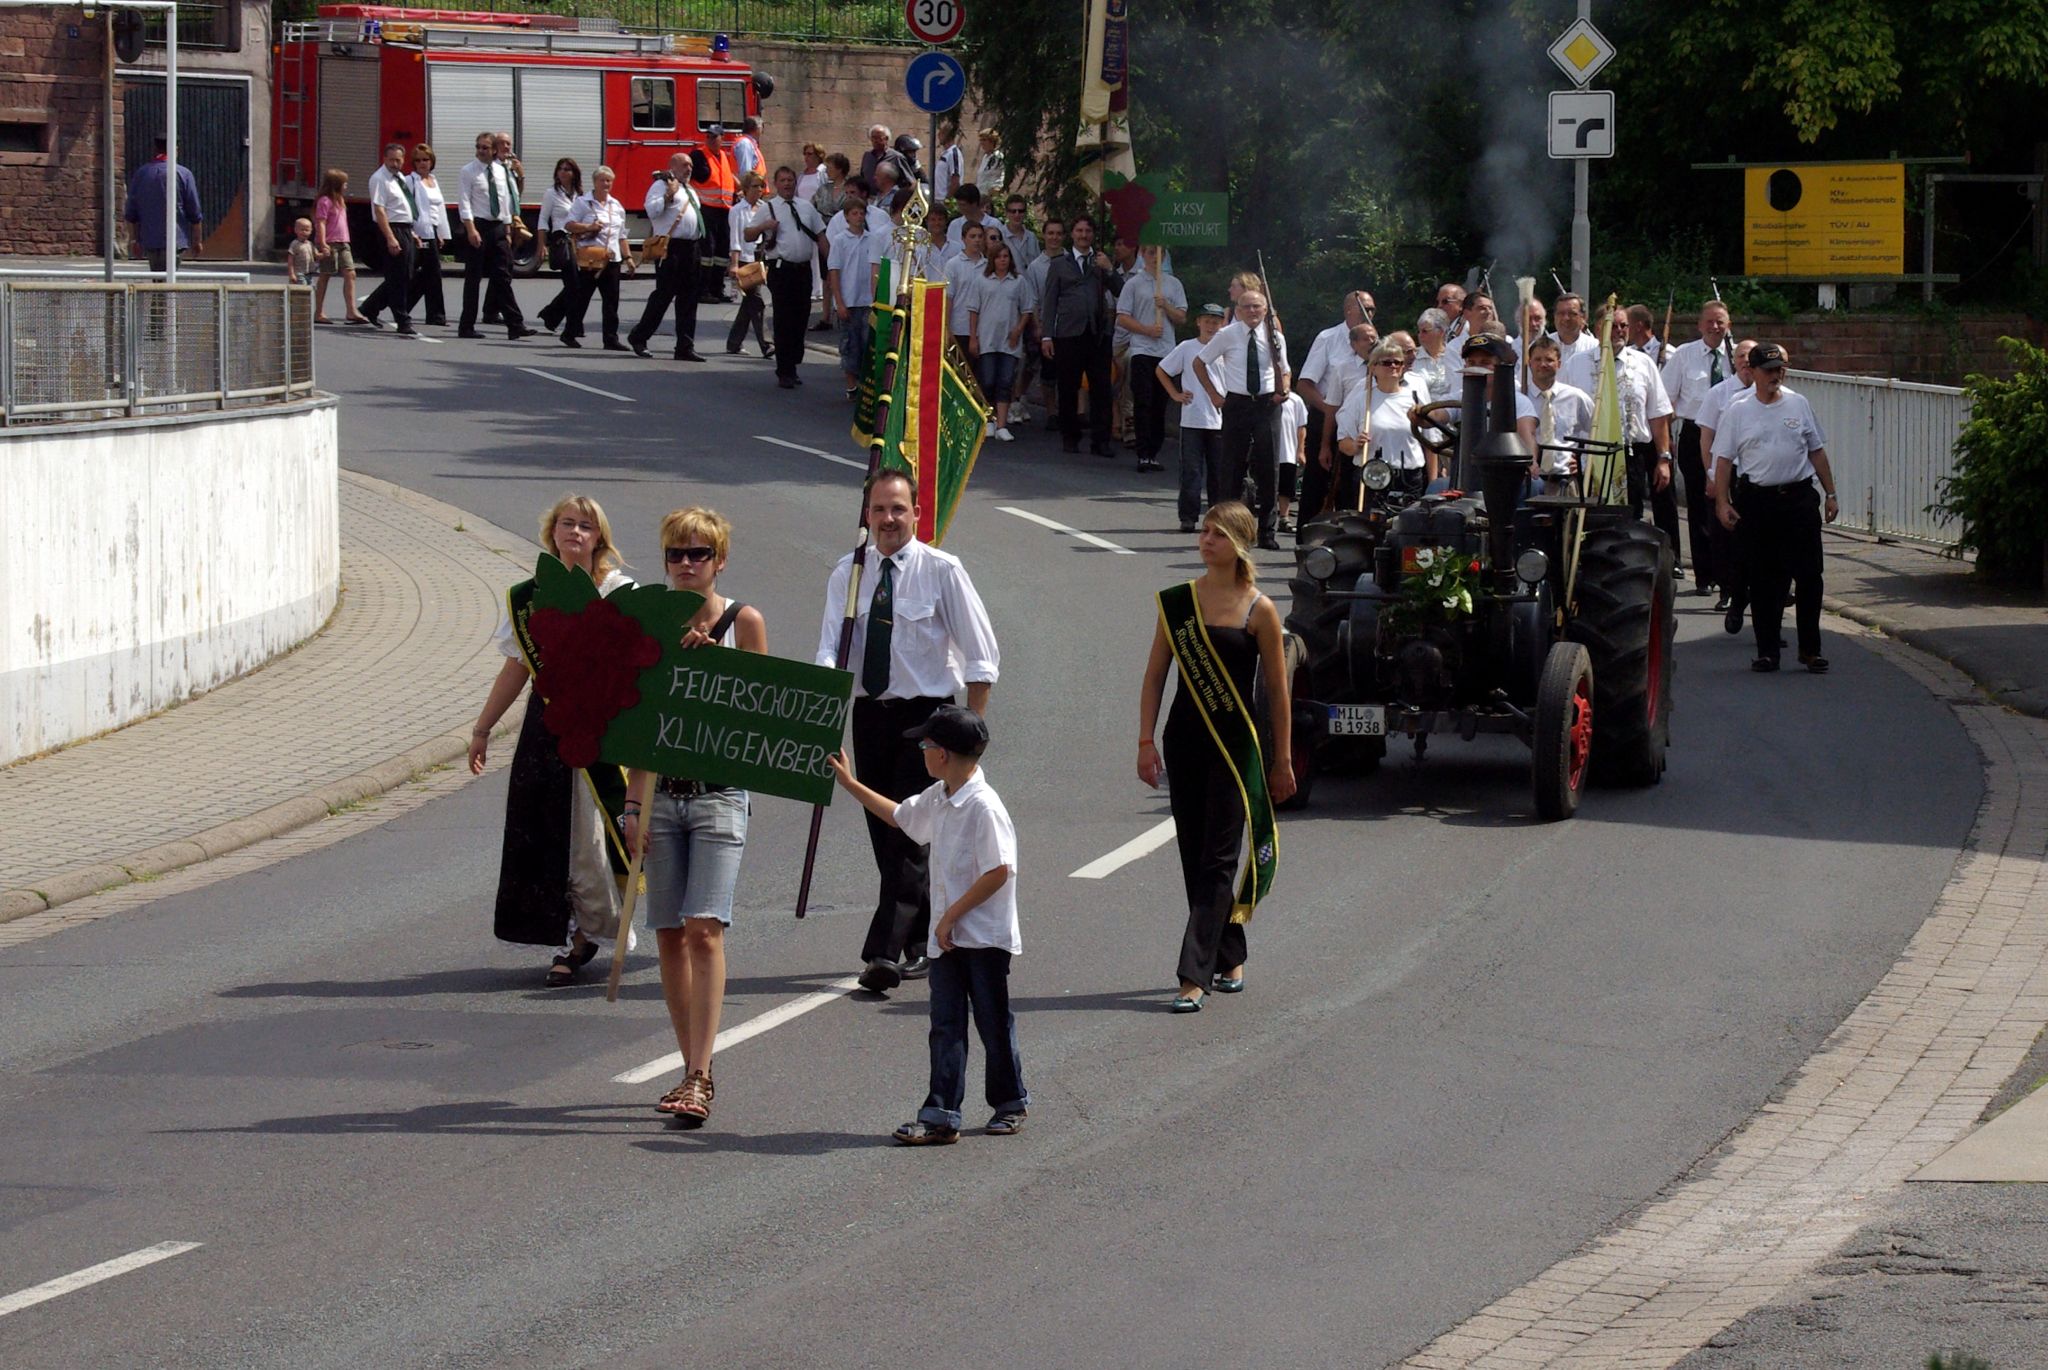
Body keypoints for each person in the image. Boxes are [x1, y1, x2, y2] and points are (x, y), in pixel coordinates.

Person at [815, 470, 1001, 994]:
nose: (888, 519)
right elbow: (831, 647)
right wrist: (824, 702)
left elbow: (981, 657)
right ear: (867, 516)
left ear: (916, 513)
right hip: (871, 713)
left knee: (906, 834)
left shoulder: (942, 570)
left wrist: (970, 739)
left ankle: (884, 952)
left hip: (928, 717)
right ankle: (920, 941)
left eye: (898, 509)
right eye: (879, 510)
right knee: (886, 830)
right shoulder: (848, 573)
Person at [619, 507, 765, 1127]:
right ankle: (688, 1068)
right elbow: (642, 723)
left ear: (720, 561)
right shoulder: (648, 627)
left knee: (705, 927)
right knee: (670, 936)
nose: (686, 564)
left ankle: (702, 1073)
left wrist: (714, 668)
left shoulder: (743, 621)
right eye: (676, 554)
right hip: (662, 796)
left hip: (718, 796)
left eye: (698, 554)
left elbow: (762, 719)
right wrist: (632, 802)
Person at [829, 705, 1026, 1145]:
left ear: (944, 754)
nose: (921, 750)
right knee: (945, 1024)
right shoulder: (939, 796)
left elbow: (999, 870)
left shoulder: (983, 806)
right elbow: (900, 817)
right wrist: (849, 784)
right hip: (948, 939)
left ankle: (1010, 1102)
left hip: (982, 938)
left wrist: (952, 916)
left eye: (926, 744)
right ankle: (940, 1114)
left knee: (993, 1021)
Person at [469, 495, 632, 986]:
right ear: (552, 532)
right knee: (546, 826)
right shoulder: (530, 596)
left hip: (604, 725)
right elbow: (517, 666)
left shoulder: (619, 590)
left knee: (591, 831)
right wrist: (482, 729)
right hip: (547, 723)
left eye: (585, 526)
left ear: (598, 536)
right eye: (567, 524)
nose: (575, 533)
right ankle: (568, 932)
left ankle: (589, 931)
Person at [1136, 501, 1293, 1012]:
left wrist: (1282, 760)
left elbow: (1277, 690)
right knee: (1194, 852)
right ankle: (1229, 954)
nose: (1206, 541)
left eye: (1218, 534)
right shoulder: (1179, 603)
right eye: (1204, 532)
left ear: (1239, 545)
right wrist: (1145, 741)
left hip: (1233, 745)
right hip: (1184, 741)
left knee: (1220, 858)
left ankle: (1192, 975)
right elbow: (1156, 675)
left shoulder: (1259, 609)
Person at [1713, 343, 1838, 674]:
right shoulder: (1738, 411)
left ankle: (1810, 650)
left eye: (1781, 369)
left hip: (1798, 499)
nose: (1776, 375)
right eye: (1769, 370)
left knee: (1810, 576)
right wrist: (1723, 501)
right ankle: (1767, 651)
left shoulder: (1798, 404)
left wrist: (1831, 492)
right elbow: (1723, 460)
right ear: (1752, 372)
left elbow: (1817, 450)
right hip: (1758, 502)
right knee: (1765, 581)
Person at [1562, 305, 1674, 533]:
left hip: (1632, 454)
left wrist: (1663, 458)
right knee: (1594, 518)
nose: (1619, 331)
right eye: (1613, 325)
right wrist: (1567, 453)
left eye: (1624, 326)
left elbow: (1658, 413)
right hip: (1591, 456)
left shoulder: (1643, 363)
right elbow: (1565, 413)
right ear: (1598, 328)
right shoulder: (1576, 364)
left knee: (1632, 518)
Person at [1196, 291, 1291, 549]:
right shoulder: (1227, 334)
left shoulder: (1274, 337)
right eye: (1246, 307)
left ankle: (1267, 532)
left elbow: (1285, 369)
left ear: (1265, 310)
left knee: (1269, 467)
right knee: (1231, 468)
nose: (1252, 311)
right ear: (1237, 310)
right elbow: (1199, 363)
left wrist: (1285, 389)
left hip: (1267, 404)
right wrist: (1215, 395)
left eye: (1257, 307)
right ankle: (1229, 530)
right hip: (1237, 403)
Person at [1662, 301, 1739, 597]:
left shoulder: (1736, 357)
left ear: (1728, 325)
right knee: (1700, 503)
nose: (1715, 327)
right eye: (1710, 322)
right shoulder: (1684, 355)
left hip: (1732, 433)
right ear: (1699, 325)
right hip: (1696, 434)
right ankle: (1705, 575)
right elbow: (1667, 400)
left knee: (1732, 500)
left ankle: (1732, 572)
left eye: (1720, 322)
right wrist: (1665, 441)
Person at [1039, 214, 1118, 456]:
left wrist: (1110, 270)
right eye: (1079, 231)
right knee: (1068, 387)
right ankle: (1070, 436)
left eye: (1088, 231)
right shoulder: (1059, 264)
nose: (1084, 235)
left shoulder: (1100, 262)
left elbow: (1121, 291)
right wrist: (1047, 336)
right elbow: (1049, 302)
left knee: (1102, 388)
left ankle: (1100, 440)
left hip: (1097, 333)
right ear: (1072, 235)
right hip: (1068, 333)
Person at [1697, 337, 1759, 623]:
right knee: (1723, 534)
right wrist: (1711, 474)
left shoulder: (1771, 395)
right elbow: (1706, 436)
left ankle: (1758, 592)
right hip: (1726, 470)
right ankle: (1729, 591)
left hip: (1755, 472)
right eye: (1742, 356)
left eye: (1752, 356)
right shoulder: (1719, 394)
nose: (1747, 361)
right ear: (1733, 361)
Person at [1115, 243, 1188, 474]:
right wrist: (1146, 330)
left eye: (1158, 254)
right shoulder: (1133, 284)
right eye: (1149, 253)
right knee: (1143, 400)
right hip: (1142, 350)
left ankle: (1154, 451)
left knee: (1160, 403)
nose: (1154, 258)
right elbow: (1123, 317)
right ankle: (1143, 452)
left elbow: (1182, 318)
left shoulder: (1173, 284)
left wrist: (1165, 305)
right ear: (1142, 255)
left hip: (1166, 353)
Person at [628, 154, 707, 362]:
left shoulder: (689, 189)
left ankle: (685, 346)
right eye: (684, 165)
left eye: (690, 165)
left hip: (691, 248)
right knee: (663, 296)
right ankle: (639, 337)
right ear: (672, 166)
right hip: (671, 248)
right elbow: (651, 210)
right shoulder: (662, 185)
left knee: (689, 299)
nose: (689, 169)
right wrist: (668, 196)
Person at [1158, 303, 1229, 532]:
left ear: (1223, 325)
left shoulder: (1227, 349)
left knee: (1218, 472)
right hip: (1193, 419)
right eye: (1207, 321)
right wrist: (1175, 394)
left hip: (1220, 420)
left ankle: (1217, 518)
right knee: (1191, 470)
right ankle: (1188, 516)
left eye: (1216, 322)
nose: (1211, 326)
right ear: (1198, 322)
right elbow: (1162, 370)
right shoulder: (1187, 347)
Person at [1335, 339, 1432, 503]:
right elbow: (1343, 442)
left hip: (1409, 477)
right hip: (1373, 477)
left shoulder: (1415, 399)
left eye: (1398, 362)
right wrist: (1355, 445)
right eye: (1387, 362)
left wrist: (1433, 479)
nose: (1394, 366)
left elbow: (1430, 440)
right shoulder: (1361, 399)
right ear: (1373, 368)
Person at [456, 131, 531, 339]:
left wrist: (507, 229)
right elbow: (464, 203)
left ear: (494, 150)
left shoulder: (501, 171)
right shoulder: (468, 171)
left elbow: (506, 200)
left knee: (502, 277)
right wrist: (471, 229)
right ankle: (466, 326)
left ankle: (515, 324)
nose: (481, 151)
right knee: (473, 278)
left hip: (498, 227)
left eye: (485, 147)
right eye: (478, 147)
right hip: (478, 226)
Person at [760, 164, 828, 388]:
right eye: (783, 180)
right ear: (776, 184)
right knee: (783, 320)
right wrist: (765, 225)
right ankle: (785, 370)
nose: (787, 184)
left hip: (803, 271)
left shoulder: (806, 207)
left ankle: (793, 362)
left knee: (801, 318)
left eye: (790, 180)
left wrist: (833, 265)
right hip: (781, 270)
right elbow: (748, 234)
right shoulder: (768, 207)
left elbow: (820, 236)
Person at [559, 164, 628, 352]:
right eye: (602, 180)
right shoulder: (583, 203)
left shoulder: (616, 206)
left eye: (609, 181)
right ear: (595, 182)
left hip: (611, 259)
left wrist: (628, 257)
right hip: (590, 259)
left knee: (611, 302)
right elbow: (569, 225)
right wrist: (589, 227)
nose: (606, 184)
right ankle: (570, 333)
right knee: (582, 298)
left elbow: (621, 235)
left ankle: (611, 339)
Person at [968, 243, 1030, 441]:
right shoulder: (982, 281)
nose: (1003, 260)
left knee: (1005, 381)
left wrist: (1018, 329)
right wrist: (973, 338)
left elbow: (1027, 309)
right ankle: (989, 420)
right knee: (987, 380)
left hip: (1009, 341)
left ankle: (1002, 424)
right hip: (987, 338)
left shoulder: (1018, 281)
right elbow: (973, 311)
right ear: (992, 260)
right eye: (998, 257)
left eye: (1006, 256)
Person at [828, 195, 888, 399]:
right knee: (849, 343)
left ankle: (866, 384)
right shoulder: (840, 240)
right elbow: (834, 271)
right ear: (846, 217)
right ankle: (851, 384)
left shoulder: (872, 239)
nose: (859, 217)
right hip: (849, 300)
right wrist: (840, 302)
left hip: (867, 300)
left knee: (866, 344)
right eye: (854, 213)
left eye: (862, 213)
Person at [1515, 336, 1595, 486]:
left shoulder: (1576, 398)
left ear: (1559, 364)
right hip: (1528, 481)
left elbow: (1597, 433)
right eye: (1537, 359)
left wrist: (1584, 462)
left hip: (1566, 481)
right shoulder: (1518, 399)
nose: (1543, 364)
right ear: (1529, 363)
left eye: (1549, 360)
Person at [359, 143, 420, 336]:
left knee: (406, 275)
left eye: (399, 160)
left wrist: (411, 233)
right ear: (384, 159)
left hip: (405, 228)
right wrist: (391, 237)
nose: (396, 163)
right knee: (398, 277)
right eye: (392, 159)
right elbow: (380, 210)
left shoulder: (399, 177)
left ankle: (370, 307)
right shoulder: (379, 179)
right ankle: (402, 320)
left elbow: (402, 207)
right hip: (392, 229)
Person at [123, 136, 204, 274]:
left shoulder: (142, 174)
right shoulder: (183, 174)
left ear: (156, 149)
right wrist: (197, 241)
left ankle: (158, 295)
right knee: (170, 279)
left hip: (150, 238)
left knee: (157, 278)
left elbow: (131, 213)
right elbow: (194, 211)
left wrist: (134, 240)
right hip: (176, 238)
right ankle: (165, 295)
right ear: (175, 149)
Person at [1020, 216, 1065, 424]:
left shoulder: (1071, 261)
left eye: (1058, 233)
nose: (1054, 237)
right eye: (1050, 233)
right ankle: (1051, 412)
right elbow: (1034, 299)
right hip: (1048, 326)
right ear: (1044, 236)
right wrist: (1038, 327)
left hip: (1069, 325)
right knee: (1047, 372)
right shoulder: (1035, 267)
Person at [310, 169, 367, 326]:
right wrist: (322, 243)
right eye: (344, 183)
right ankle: (319, 311)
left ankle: (351, 310)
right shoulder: (324, 201)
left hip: (343, 242)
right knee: (326, 275)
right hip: (330, 243)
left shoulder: (340, 200)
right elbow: (320, 222)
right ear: (336, 185)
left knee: (351, 274)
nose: (346, 186)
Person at [533, 157, 583, 335]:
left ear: (574, 174)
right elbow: (542, 219)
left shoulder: (580, 194)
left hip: (579, 241)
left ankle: (551, 314)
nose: (563, 172)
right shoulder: (551, 193)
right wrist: (541, 245)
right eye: (560, 169)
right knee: (573, 284)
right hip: (561, 239)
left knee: (577, 285)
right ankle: (574, 326)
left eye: (567, 169)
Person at [726, 172, 773, 357]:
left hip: (760, 258)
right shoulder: (737, 210)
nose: (759, 190)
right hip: (745, 259)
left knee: (749, 303)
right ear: (746, 189)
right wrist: (734, 264)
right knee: (757, 301)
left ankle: (733, 342)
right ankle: (766, 344)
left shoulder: (764, 208)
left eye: (761, 186)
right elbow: (735, 238)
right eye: (755, 186)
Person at [406, 144, 452, 328]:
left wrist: (441, 232)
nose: (422, 163)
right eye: (418, 160)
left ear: (431, 161)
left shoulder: (433, 180)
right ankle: (435, 315)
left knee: (429, 274)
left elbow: (438, 209)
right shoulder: (411, 181)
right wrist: (412, 231)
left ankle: (431, 314)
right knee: (424, 273)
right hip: (419, 231)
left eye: (425, 159)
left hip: (432, 230)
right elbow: (408, 207)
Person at [810, 152, 853, 331]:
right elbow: (814, 207)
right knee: (827, 275)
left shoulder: (849, 188)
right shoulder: (823, 189)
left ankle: (845, 309)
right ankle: (826, 316)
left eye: (830, 167)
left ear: (840, 169)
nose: (827, 170)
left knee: (846, 273)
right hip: (825, 235)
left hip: (845, 234)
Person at [944, 221, 989, 354]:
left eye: (980, 236)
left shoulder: (989, 265)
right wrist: (947, 328)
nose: (977, 240)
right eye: (972, 236)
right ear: (963, 238)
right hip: (959, 327)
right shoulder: (953, 265)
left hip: (984, 329)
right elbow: (948, 298)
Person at [1273, 387, 1308, 532]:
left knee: (1286, 487)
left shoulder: (1296, 400)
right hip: (1267, 450)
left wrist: (1300, 450)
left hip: (1287, 451)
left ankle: (1284, 518)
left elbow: (1301, 427)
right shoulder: (1263, 398)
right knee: (1267, 487)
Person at [1409, 308, 1455, 403]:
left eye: (1425, 331)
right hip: (1419, 412)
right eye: (1419, 331)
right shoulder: (1413, 358)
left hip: (1452, 412)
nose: (1420, 335)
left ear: (1441, 332)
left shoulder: (1455, 356)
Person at [1550, 293, 1600, 365]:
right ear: (1554, 317)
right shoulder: (1541, 348)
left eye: (1572, 313)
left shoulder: (1595, 347)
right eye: (1561, 313)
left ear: (1583, 317)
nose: (1566, 318)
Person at [996, 195, 1040, 273]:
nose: (1017, 214)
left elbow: (1037, 264)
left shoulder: (1032, 237)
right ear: (1006, 213)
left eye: (1020, 211)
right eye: (1013, 211)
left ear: (1025, 213)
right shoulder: (999, 236)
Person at [931, 121, 964, 201]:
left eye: (941, 133)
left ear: (947, 135)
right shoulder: (945, 153)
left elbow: (955, 179)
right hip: (937, 199)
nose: (938, 136)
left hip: (945, 200)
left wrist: (948, 199)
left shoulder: (953, 153)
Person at [973, 128, 1005, 194]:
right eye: (981, 140)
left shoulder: (998, 156)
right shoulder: (985, 157)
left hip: (990, 195)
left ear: (992, 141)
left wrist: (995, 191)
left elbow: (1000, 177)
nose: (982, 143)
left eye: (984, 140)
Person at [285, 217, 316, 285]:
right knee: (301, 289)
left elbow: (316, 255)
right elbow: (290, 261)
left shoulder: (310, 244)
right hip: (299, 273)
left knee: (309, 290)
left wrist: (325, 254)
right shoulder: (294, 244)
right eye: (302, 230)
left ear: (311, 231)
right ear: (296, 230)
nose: (304, 232)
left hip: (309, 273)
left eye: (307, 230)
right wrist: (291, 274)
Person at [732, 115, 764, 181]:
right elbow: (746, 172)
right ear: (757, 128)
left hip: (755, 188)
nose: (762, 131)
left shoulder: (749, 143)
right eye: (762, 127)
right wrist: (747, 190)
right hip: (751, 189)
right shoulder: (745, 144)